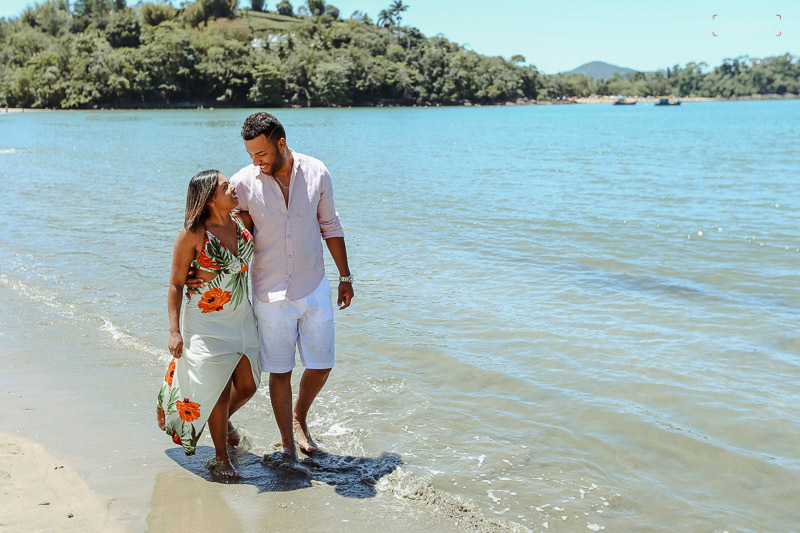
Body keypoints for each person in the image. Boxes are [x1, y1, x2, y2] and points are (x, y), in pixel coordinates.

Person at [189, 112, 354, 460]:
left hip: (314, 283)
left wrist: (345, 276)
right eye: (250, 155)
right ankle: (289, 446)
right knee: (279, 372)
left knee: (322, 364)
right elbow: (218, 223)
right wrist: (198, 273)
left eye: (261, 154)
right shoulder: (244, 182)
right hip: (269, 291)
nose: (256, 162)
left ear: (281, 144)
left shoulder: (317, 171)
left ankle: (299, 417)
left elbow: (330, 224)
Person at [158, 169, 261, 478]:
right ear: (209, 197)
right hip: (206, 324)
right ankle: (221, 458)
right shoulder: (193, 234)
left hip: (242, 317)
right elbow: (176, 284)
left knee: (248, 385)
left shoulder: (242, 221)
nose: (233, 189)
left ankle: (222, 421)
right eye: (225, 186)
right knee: (218, 389)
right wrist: (174, 331)